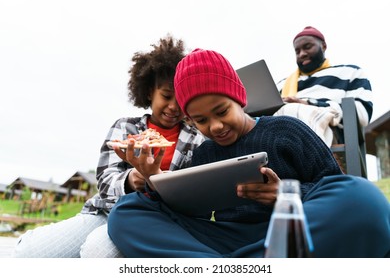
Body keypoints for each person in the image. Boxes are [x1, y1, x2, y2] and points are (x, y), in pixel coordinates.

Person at [107, 48, 390, 258]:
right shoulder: (204, 154)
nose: (215, 126)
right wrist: (155, 179)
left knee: (361, 196)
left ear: (239, 98)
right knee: (127, 212)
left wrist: (288, 196)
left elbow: (332, 186)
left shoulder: (287, 130)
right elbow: (188, 215)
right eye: (200, 121)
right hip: (233, 240)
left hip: (294, 230)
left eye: (222, 112)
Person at [12, 35, 205, 258]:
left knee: (98, 251)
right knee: (27, 252)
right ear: (150, 91)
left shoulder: (196, 139)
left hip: (157, 219)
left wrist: (163, 181)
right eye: (166, 96)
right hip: (106, 210)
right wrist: (132, 179)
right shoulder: (124, 127)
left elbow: (195, 193)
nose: (173, 106)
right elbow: (105, 181)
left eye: (180, 99)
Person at [274, 26, 373, 146]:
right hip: (281, 132)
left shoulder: (350, 72)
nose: (302, 54)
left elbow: (362, 115)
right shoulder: (282, 85)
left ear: (323, 46)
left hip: (328, 134)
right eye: (297, 51)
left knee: (291, 111)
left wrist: (308, 104)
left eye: (307, 47)